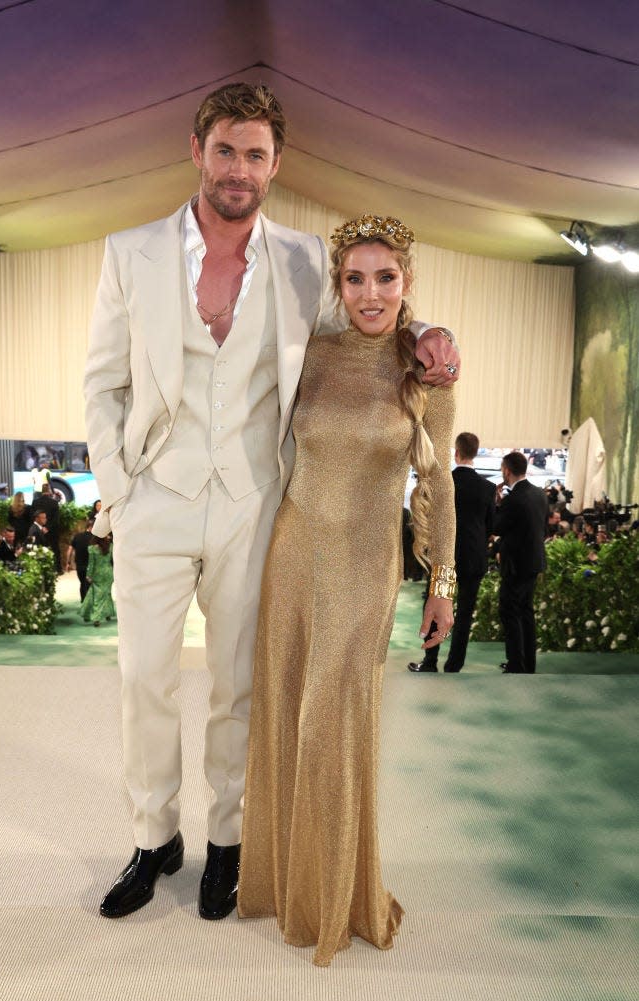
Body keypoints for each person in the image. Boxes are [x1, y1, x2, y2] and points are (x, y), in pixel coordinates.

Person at [84, 81, 461, 923]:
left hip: (256, 501)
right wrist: (123, 493)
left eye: (257, 154)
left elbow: (373, 311)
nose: (240, 169)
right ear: (197, 151)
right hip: (156, 497)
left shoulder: (300, 260)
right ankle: (153, 839)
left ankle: (227, 843)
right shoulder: (129, 251)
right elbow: (101, 382)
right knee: (143, 676)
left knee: (238, 684)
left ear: (276, 164)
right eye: (226, 149)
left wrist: (431, 333)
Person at [237, 215, 456, 966]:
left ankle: (335, 896)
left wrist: (443, 583)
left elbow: (440, 483)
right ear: (339, 285)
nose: (371, 293)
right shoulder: (313, 353)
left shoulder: (426, 368)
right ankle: (282, 885)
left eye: (385, 278)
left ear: (406, 284)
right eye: (356, 278)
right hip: (294, 555)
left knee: (334, 719)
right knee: (287, 710)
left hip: (368, 566)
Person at [408, 431, 495, 673]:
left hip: (445, 560)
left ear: (456, 453)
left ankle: (430, 661)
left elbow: (428, 517)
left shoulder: (444, 483)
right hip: (474, 559)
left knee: (435, 607)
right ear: (475, 453)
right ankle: (454, 665)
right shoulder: (488, 488)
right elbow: (491, 525)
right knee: (465, 614)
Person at [493, 451, 548, 674]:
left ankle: (516, 663)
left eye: (502, 469)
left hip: (515, 565)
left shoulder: (513, 499)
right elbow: (542, 528)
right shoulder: (539, 494)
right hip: (534, 562)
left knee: (509, 610)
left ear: (507, 470)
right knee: (526, 612)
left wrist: (497, 504)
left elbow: (497, 527)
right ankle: (528, 664)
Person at [80, 534, 115, 626]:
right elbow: (113, 561)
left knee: (97, 596)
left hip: (97, 573)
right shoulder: (111, 547)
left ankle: (97, 618)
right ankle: (108, 613)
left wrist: (88, 575)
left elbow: (91, 564)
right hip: (108, 573)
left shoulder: (92, 549)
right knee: (107, 593)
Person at [67, 519, 94, 600]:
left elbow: (70, 550)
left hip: (80, 565)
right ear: (92, 527)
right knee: (91, 585)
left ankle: (83, 602)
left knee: (82, 583)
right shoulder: (95, 538)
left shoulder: (77, 536)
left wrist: (68, 563)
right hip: (92, 566)